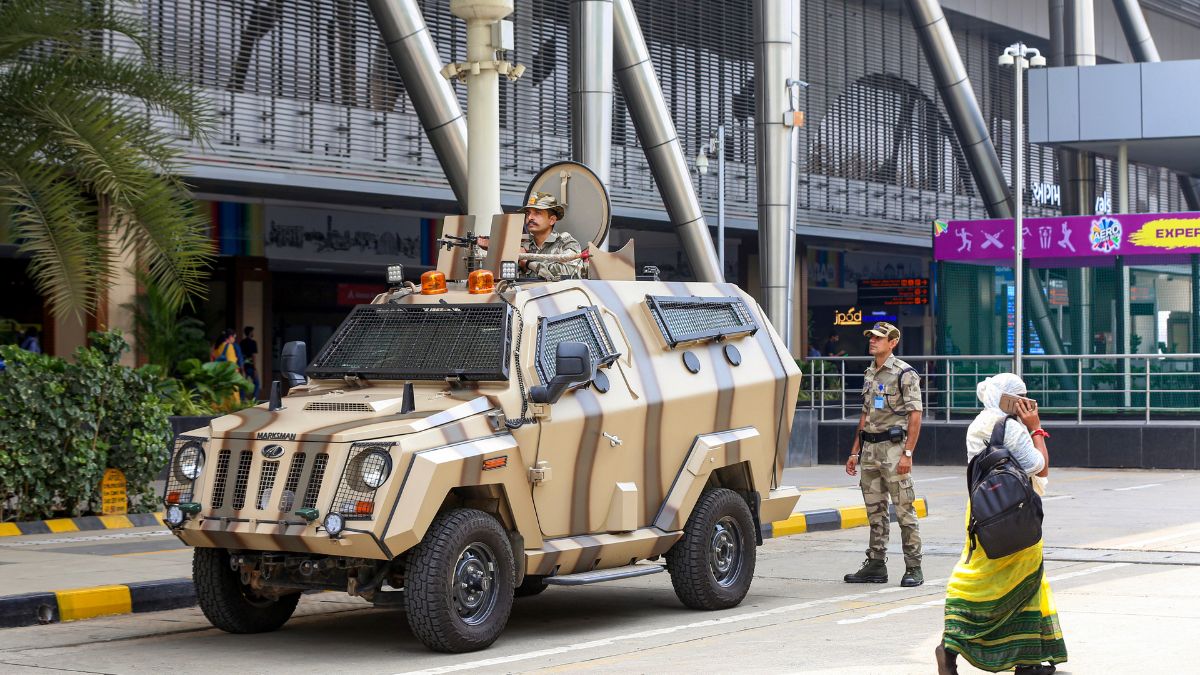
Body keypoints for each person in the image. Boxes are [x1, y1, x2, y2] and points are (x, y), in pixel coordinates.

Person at [935, 373, 1065, 675]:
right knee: (1026, 579)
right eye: (1022, 397)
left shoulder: (977, 424)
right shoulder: (1012, 429)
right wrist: (1036, 428)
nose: (1027, 402)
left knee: (978, 575)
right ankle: (1024, 661)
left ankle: (954, 647)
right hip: (1017, 511)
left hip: (982, 512)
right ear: (1010, 399)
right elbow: (1039, 467)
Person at [844, 321, 923, 587]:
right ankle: (876, 564)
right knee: (875, 511)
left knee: (904, 510)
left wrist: (907, 453)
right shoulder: (870, 373)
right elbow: (865, 415)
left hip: (894, 449)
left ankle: (914, 566)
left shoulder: (905, 373)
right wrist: (855, 452)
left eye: (879, 338)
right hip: (870, 451)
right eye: (871, 337)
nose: (873, 341)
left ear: (892, 342)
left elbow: (915, 415)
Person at [521, 192, 585, 281]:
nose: (530, 217)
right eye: (528, 213)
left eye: (537, 213)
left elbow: (569, 272)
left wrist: (528, 263)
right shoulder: (522, 245)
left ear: (552, 220)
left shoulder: (566, 243)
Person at [240, 326, 260, 401]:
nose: (253, 333)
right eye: (252, 332)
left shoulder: (242, 342)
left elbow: (240, 355)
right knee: (257, 383)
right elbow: (253, 356)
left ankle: (242, 399)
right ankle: (254, 400)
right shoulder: (253, 342)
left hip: (243, 366)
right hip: (251, 367)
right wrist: (255, 368)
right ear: (250, 332)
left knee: (242, 384)